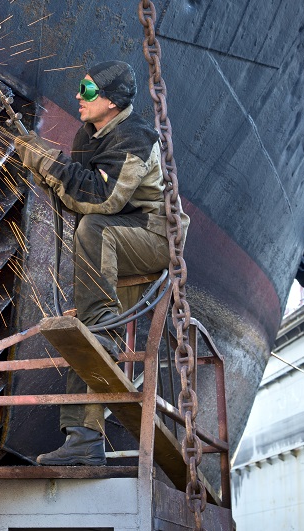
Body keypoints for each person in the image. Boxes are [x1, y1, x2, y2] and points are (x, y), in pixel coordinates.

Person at [15, 60, 189, 466]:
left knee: (95, 250)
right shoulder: (87, 134)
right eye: (81, 88)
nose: (79, 96)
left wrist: (49, 162)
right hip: (118, 236)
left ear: (111, 101)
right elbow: (75, 191)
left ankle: (102, 329)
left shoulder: (136, 138)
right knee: (90, 328)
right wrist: (42, 164)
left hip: (157, 236)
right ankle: (84, 440)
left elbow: (101, 199)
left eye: (89, 91)